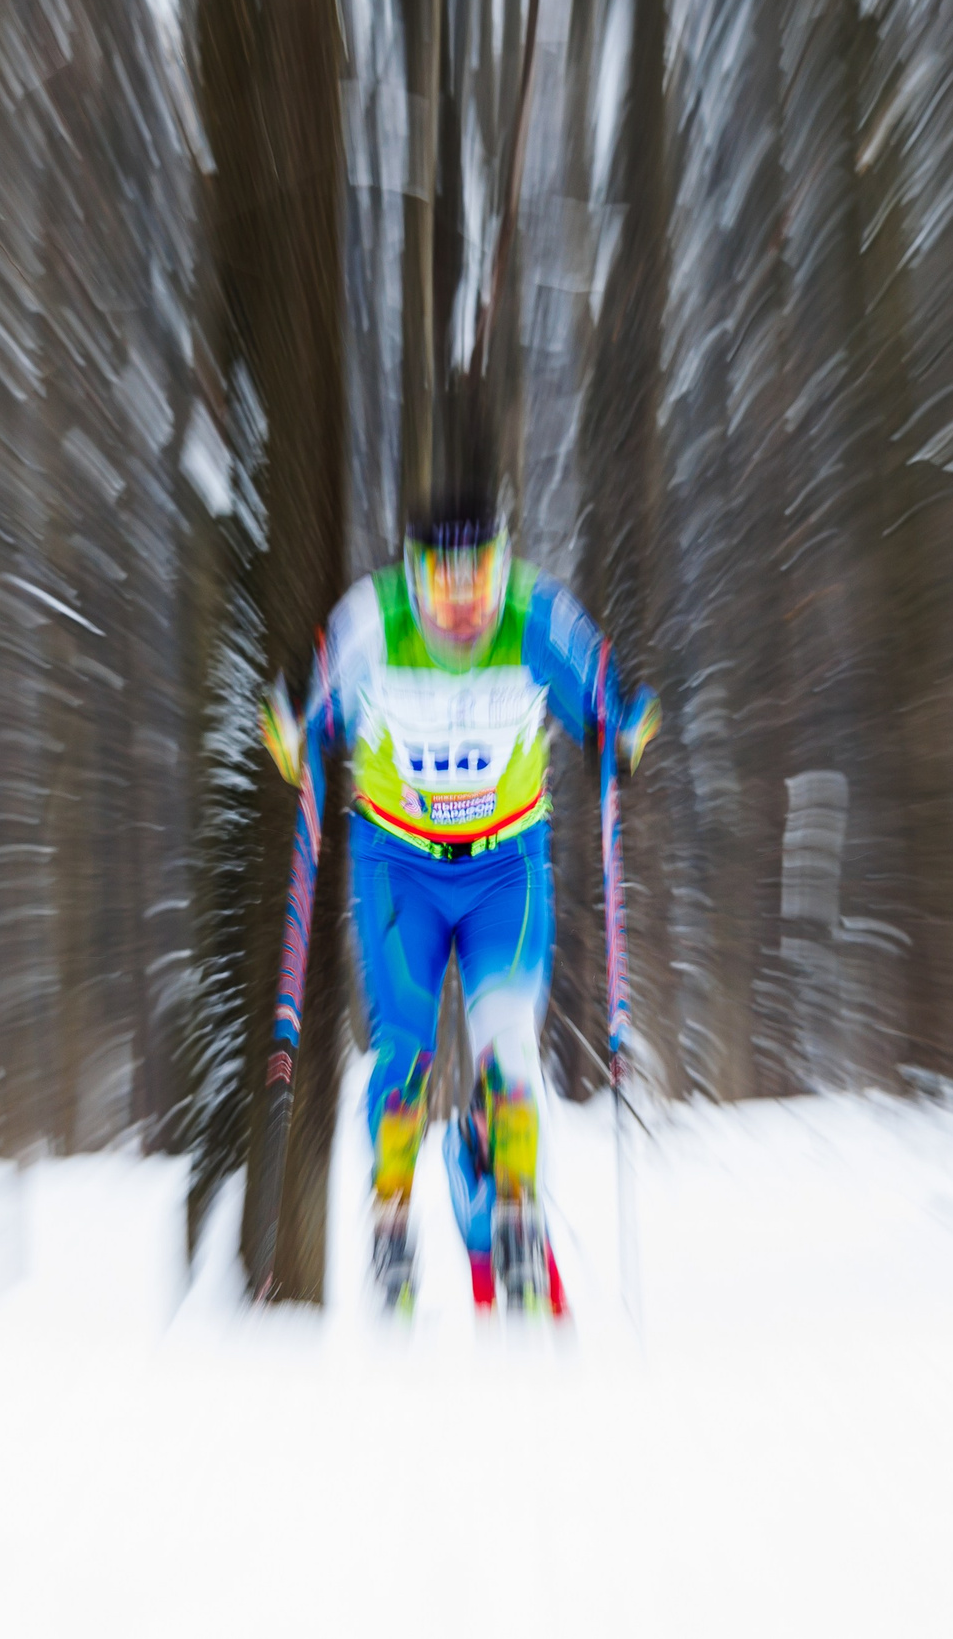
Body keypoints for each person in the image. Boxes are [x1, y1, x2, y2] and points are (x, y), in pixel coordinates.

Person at [263, 484, 657, 1314]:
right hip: (397, 868)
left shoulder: (536, 615)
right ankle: (393, 1214)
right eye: (445, 582)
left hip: (504, 872)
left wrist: (624, 726)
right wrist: (295, 732)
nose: (465, 602)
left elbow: (609, 697)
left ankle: (514, 1212)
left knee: (507, 1048)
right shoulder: (373, 622)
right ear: (416, 576)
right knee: (403, 1050)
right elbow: (306, 711)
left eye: (479, 577)